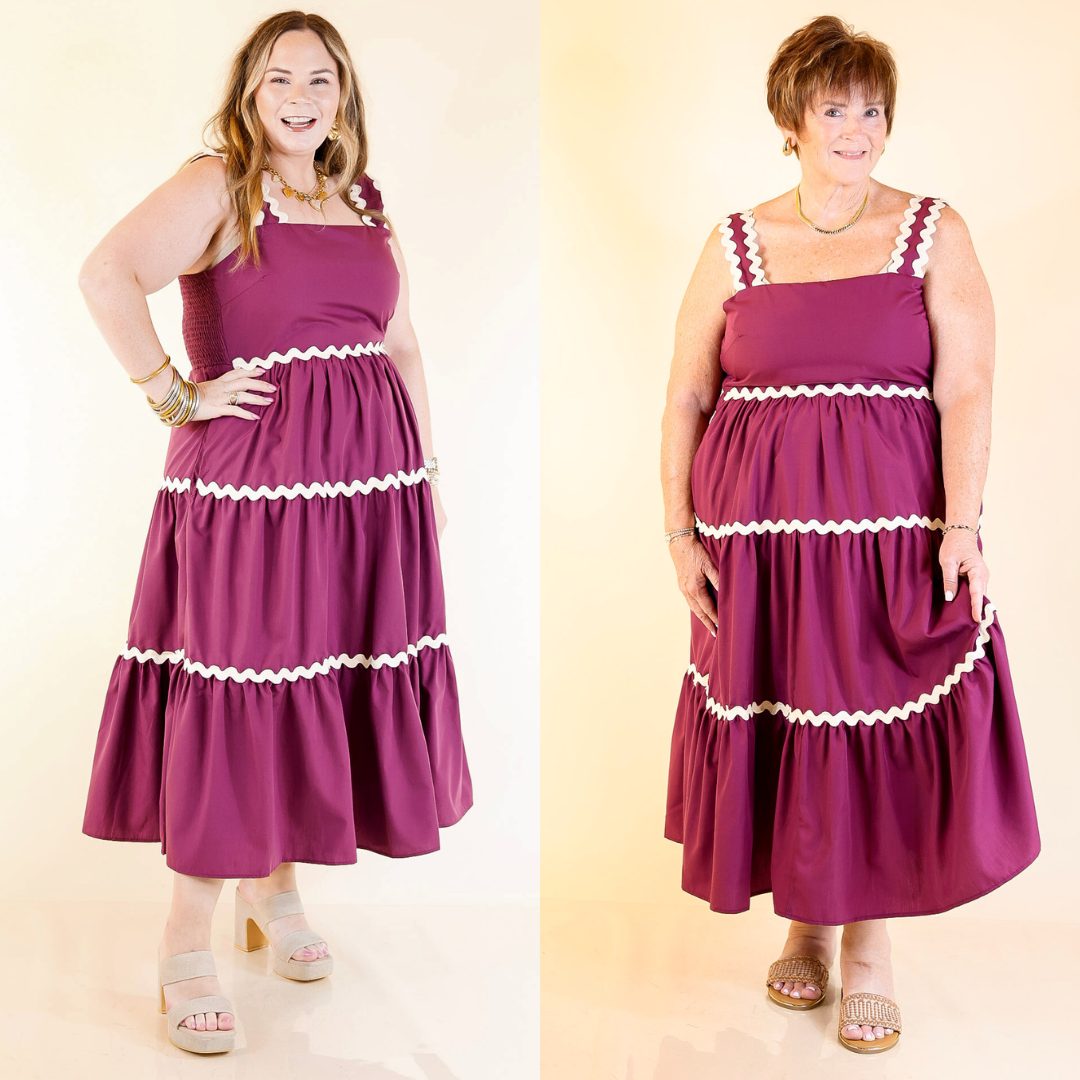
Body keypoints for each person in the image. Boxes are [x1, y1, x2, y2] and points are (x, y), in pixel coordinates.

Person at [78, 11, 472, 1054]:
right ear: (249, 93)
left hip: (366, 487)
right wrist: (174, 395)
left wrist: (425, 476)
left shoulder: (361, 197)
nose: (301, 99)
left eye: (320, 81)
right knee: (244, 685)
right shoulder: (218, 184)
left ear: (344, 98)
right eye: (280, 80)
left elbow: (400, 343)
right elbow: (106, 274)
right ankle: (185, 938)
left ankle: (276, 889)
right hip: (252, 487)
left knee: (317, 680)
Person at [660, 15, 1039, 1054]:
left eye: (873, 109)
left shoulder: (932, 230)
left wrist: (962, 522)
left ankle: (867, 950)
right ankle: (806, 928)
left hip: (887, 537)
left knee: (865, 717)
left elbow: (967, 385)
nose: (858, 128)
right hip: (760, 546)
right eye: (836, 108)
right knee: (793, 716)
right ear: (792, 119)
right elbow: (687, 394)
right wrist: (679, 532)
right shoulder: (734, 242)